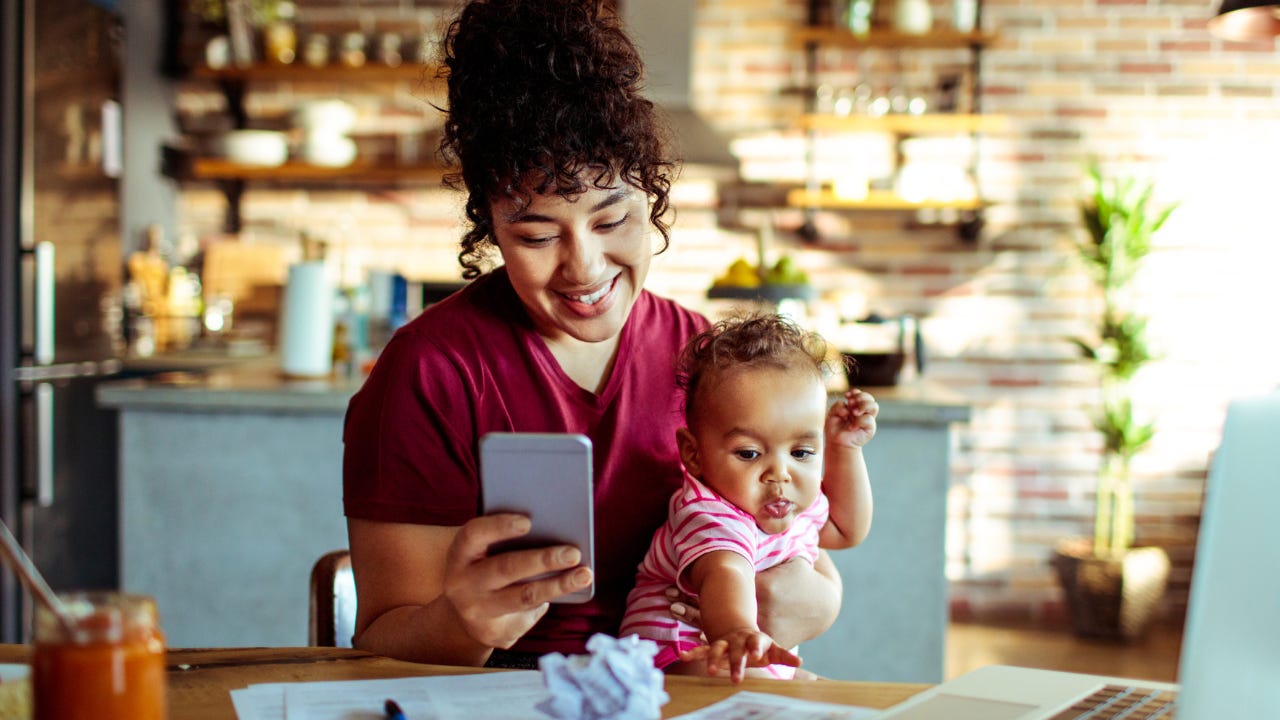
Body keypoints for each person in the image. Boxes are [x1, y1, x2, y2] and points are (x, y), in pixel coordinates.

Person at [341, 0, 844, 668]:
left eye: (611, 223)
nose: (584, 269)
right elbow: (379, 642)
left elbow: (799, 554)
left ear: (652, 198)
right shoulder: (431, 370)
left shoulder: (707, 360)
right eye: (537, 234)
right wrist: (463, 622)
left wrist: (812, 602)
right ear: (490, 227)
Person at [619, 314, 878, 682]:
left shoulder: (788, 500)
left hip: (743, 653)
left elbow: (844, 529)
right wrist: (737, 631)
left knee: (827, 695)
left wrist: (845, 450)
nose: (780, 473)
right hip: (677, 655)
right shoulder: (708, 511)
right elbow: (726, 569)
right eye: (749, 453)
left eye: (802, 452)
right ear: (694, 454)